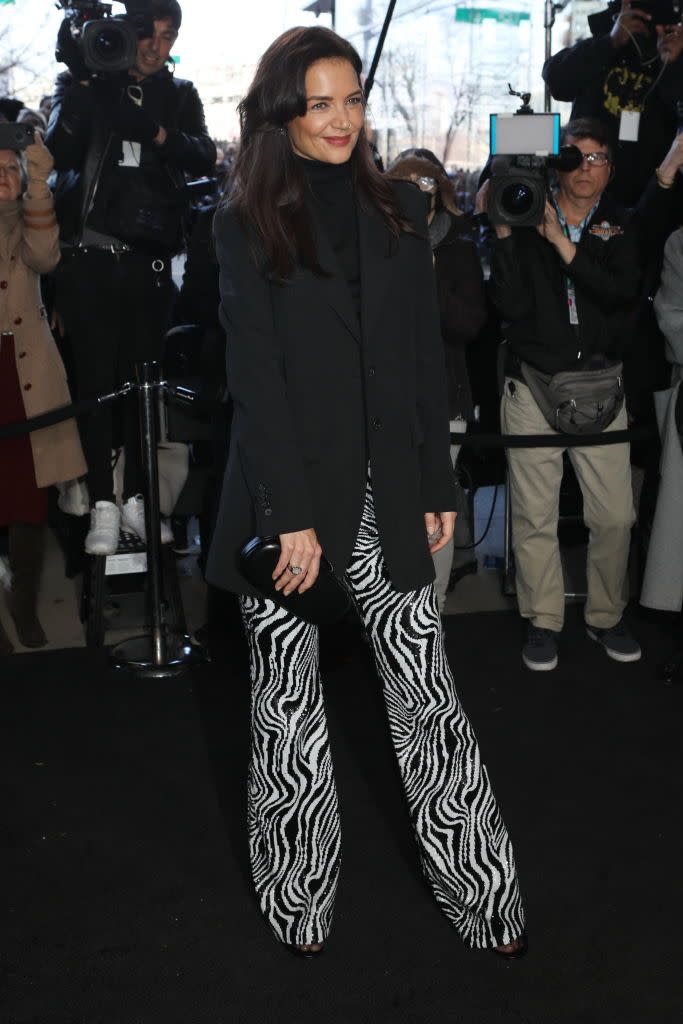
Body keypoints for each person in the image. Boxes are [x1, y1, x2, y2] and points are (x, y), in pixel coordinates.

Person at [206, 25, 526, 959]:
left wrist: (434, 478)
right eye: (319, 102)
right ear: (283, 113)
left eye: (351, 100)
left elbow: (423, 356)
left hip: (390, 495)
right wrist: (286, 513)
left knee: (426, 695)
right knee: (288, 709)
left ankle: (484, 896)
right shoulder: (245, 221)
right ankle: (298, 901)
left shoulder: (398, 212)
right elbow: (254, 377)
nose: (341, 119)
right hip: (291, 508)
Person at [45, 0, 216, 556]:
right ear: (125, 29)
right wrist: (87, 79)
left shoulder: (180, 94)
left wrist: (159, 135)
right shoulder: (85, 84)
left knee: (146, 387)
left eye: (169, 38)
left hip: (151, 267)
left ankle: (141, 499)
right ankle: (102, 502)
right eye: (147, 34)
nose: (156, 47)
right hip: (90, 265)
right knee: (95, 387)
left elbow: (204, 157)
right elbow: (59, 151)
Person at [479, 117, 643, 671]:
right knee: (533, 515)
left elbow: (620, 295)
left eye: (598, 158)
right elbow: (510, 307)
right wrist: (504, 234)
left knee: (616, 515)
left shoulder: (621, 227)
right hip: (534, 384)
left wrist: (561, 243)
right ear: (557, 163)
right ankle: (543, 621)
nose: (585, 168)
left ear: (611, 171)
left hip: (602, 387)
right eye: (575, 156)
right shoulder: (523, 213)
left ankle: (605, 616)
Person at [388, 148, 486, 610]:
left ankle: (434, 612)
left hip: (444, 400)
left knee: (436, 510)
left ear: (439, 195)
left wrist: (425, 269)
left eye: (423, 186)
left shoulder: (456, 247)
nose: (412, 196)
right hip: (383, 404)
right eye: (401, 185)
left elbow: (467, 324)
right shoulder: (372, 247)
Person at [0, 134, 86, 655]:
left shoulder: (32, 215)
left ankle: (24, 606)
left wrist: (36, 184)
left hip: (26, 373)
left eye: (10, 168)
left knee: (28, 503)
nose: (3, 177)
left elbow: (45, 256)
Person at [542, 1, 683, 206]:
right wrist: (611, 41)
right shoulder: (602, 47)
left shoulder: (672, 58)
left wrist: (674, 64)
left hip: (647, 195)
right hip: (582, 183)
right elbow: (556, 81)